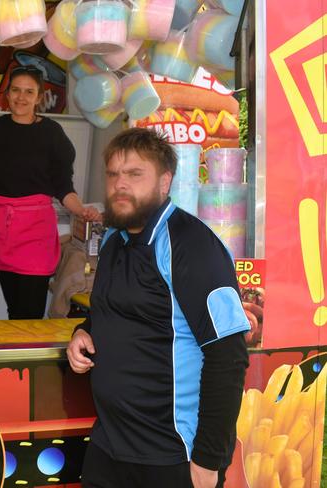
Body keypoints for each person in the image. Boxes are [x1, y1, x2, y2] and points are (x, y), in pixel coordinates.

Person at [66, 128, 250, 488]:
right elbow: (109, 311)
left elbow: (228, 356)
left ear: (165, 181)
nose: (120, 184)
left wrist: (208, 460)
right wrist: (83, 332)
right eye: (114, 174)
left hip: (171, 456)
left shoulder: (191, 245)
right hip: (109, 445)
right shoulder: (114, 240)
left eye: (135, 174)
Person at [0, 65, 100, 320]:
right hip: (0, 229)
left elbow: (63, 186)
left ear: (39, 97)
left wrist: (80, 210)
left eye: (29, 92)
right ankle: (16, 359)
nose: (21, 97)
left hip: (36, 232)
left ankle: (24, 358)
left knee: (30, 311)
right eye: (15, 90)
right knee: (14, 307)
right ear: (7, 93)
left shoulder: (52, 135)